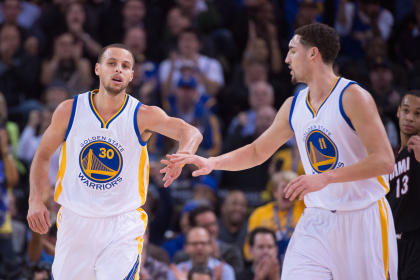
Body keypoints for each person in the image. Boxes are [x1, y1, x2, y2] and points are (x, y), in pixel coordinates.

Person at [163, 23, 397, 279]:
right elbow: (256, 151)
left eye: (293, 51)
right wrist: (213, 162)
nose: (286, 59)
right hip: (317, 218)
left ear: (313, 54)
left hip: (362, 216)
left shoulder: (353, 96)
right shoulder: (293, 105)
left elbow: (385, 161)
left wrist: (326, 177)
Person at [27, 43, 203, 279]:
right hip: (75, 221)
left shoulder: (143, 115)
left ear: (131, 75)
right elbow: (42, 155)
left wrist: (184, 155)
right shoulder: (69, 110)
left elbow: (190, 131)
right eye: (112, 64)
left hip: (121, 225)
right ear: (98, 68)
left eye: (125, 66)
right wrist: (35, 200)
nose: (118, 70)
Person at [387, 90, 420, 280]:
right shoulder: (392, 157)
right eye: (406, 111)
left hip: (415, 239)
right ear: (398, 112)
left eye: (418, 114)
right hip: (393, 242)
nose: (410, 118)